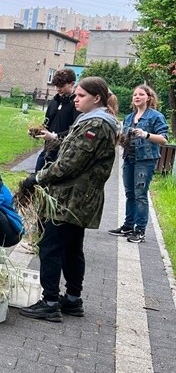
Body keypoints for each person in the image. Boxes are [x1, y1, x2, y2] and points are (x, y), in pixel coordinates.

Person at [17, 77, 118, 322]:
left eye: (81, 95)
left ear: (97, 98)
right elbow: (73, 151)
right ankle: (72, 299)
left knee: (50, 247)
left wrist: (36, 178)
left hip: (70, 200)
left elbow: (68, 165)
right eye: (76, 95)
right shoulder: (92, 122)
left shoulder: (96, 124)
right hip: (76, 199)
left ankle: (50, 302)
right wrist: (53, 139)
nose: (75, 99)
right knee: (72, 248)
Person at [109, 83, 169, 244]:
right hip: (129, 158)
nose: (137, 97)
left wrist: (146, 134)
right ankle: (128, 226)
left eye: (141, 94)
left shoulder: (155, 116)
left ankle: (140, 230)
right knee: (130, 194)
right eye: (135, 94)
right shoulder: (129, 117)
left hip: (145, 160)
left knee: (141, 195)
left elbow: (163, 139)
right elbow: (124, 139)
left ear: (149, 98)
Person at [33, 68, 80, 170]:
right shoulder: (55, 101)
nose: (58, 89)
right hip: (48, 149)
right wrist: (37, 131)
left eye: (62, 86)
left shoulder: (77, 104)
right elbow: (47, 122)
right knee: (37, 175)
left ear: (72, 84)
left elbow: (77, 130)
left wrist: (54, 136)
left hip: (65, 152)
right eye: (56, 86)